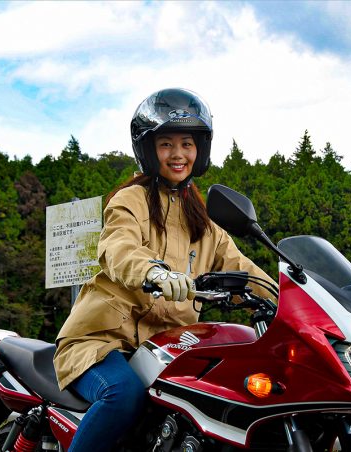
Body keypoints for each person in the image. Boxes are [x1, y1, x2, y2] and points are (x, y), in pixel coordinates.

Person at [53, 88, 277, 452]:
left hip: (169, 351)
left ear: (199, 149)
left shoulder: (205, 225)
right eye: (166, 144)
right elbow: (118, 248)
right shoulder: (130, 201)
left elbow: (244, 270)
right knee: (122, 396)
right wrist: (155, 273)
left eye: (187, 143)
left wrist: (293, 299)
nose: (178, 154)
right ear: (148, 150)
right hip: (101, 342)